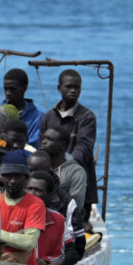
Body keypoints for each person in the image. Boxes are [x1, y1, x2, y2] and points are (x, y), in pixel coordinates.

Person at [39, 69, 98, 221]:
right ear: (59, 88)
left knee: (76, 223)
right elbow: (42, 146)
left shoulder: (86, 117)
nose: (73, 90)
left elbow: (84, 148)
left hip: (77, 181)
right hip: (51, 182)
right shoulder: (48, 117)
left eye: (77, 87)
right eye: (69, 86)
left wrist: (63, 164)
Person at [0, 150, 47, 265]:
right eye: (8, 176)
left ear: (26, 178)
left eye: (17, 176)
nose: (12, 181)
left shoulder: (35, 204)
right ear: (2, 176)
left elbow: (28, 242)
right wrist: (16, 236)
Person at [26, 171, 68, 265]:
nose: (32, 194)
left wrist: (45, 261)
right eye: (29, 189)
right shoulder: (14, 214)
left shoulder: (58, 219)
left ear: (50, 195)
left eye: (38, 190)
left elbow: (60, 255)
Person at [40, 125, 87, 212]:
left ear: (63, 145)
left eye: (49, 139)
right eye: (43, 138)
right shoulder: (38, 165)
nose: (43, 142)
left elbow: (75, 206)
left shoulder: (76, 172)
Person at [2, 69, 41, 146]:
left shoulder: (37, 118)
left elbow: (33, 144)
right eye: (5, 89)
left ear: (24, 89)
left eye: (12, 89)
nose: (8, 93)